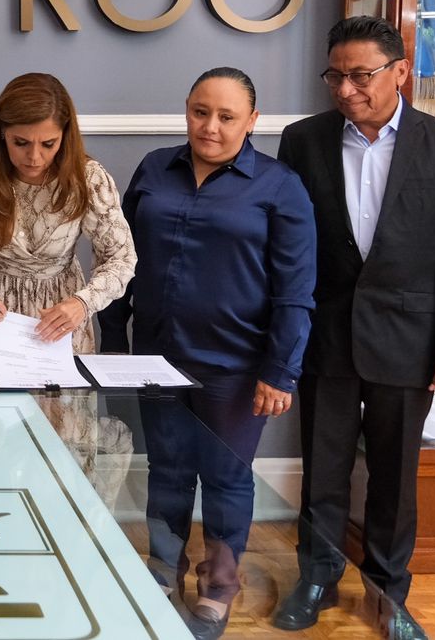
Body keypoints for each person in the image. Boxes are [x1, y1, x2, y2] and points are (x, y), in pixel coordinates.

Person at [270, 16, 435, 640]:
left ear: (400, 72)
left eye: (360, 75)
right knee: (324, 468)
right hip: (326, 335)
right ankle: (316, 578)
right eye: (335, 76)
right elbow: (286, 246)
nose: (345, 89)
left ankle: (389, 593)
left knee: (394, 475)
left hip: (409, 339)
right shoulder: (302, 141)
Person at [100, 67, 315, 638]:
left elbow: (296, 290)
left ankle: (218, 588)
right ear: (187, 109)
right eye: (200, 112)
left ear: (252, 121)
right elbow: (120, 260)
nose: (210, 127)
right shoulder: (154, 168)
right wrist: (111, 335)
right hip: (155, 355)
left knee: (225, 477)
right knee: (168, 470)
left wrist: (281, 371)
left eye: (226, 116)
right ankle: (162, 571)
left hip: (236, 365)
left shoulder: (279, 187)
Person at [0, 72, 136, 354]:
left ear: (65, 135)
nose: (34, 157)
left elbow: (121, 257)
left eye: (48, 144)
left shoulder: (88, 179)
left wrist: (83, 303)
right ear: (2, 133)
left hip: (60, 319)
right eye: (21, 142)